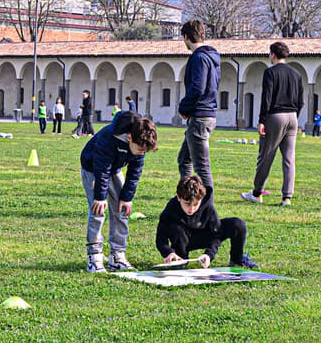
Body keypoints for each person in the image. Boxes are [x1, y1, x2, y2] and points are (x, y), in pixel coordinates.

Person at [80, 110, 158, 273]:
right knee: (97, 211)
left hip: (114, 168)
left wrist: (126, 197)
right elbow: (101, 168)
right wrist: (100, 197)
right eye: (140, 150)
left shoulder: (140, 142)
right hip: (93, 168)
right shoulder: (109, 137)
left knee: (122, 211)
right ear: (129, 138)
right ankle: (94, 256)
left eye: (144, 152)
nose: (141, 153)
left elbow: (135, 172)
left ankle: (117, 255)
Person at [241, 41, 304, 207]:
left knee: (266, 156)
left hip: (275, 116)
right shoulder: (296, 74)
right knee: (289, 158)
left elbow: (266, 98)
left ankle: (256, 193)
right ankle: (287, 197)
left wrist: (262, 120)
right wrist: (294, 117)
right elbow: (301, 101)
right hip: (292, 117)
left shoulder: (270, 73)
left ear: (273, 54)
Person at [157, 175, 260, 269]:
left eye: (195, 204)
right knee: (176, 228)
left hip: (205, 235)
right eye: (187, 204)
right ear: (179, 197)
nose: (191, 209)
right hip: (183, 238)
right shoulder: (170, 208)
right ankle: (180, 260)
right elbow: (160, 238)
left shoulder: (207, 205)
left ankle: (237, 260)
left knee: (238, 224)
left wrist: (209, 254)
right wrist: (169, 253)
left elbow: (217, 233)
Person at [177, 19, 221, 189]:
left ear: (186, 36)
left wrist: (184, 107)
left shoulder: (199, 58)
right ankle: (187, 194)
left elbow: (197, 88)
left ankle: (207, 207)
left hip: (200, 117)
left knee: (202, 168)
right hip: (207, 114)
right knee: (184, 160)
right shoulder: (212, 57)